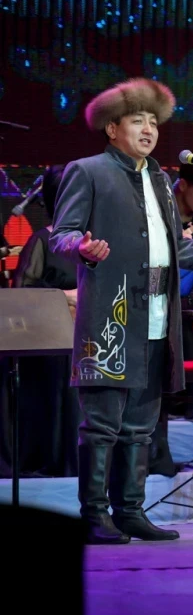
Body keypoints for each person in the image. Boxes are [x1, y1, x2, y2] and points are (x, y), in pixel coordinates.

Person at [50, 77, 193, 544]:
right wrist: (83, 248)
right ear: (113, 128)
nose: (149, 129)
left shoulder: (159, 180)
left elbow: (179, 249)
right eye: (138, 120)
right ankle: (94, 516)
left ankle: (130, 511)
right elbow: (62, 235)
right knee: (102, 426)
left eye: (153, 121)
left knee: (140, 426)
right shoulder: (87, 171)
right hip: (110, 320)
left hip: (157, 316)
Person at [11, 164, 80, 477]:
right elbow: (21, 295)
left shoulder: (93, 243)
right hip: (51, 341)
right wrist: (65, 296)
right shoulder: (41, 241)